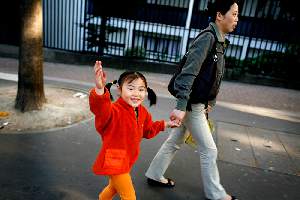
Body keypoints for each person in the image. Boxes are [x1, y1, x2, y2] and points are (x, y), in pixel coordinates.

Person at [145, 0, 239, 200]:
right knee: (209, 150)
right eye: (234, 14)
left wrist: (209, 103)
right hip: (190, 103)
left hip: (196, 103)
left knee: (175, 140)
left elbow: (213, 76)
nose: (237, 19)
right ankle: (216, 194)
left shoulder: (219, 40)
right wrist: (181, 106)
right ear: (219, 16)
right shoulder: (208, 38)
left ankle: (154, 174)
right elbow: (188, 74)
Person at [89, 60, 179, 200]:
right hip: (115, 160)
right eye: (130, 88)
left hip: (128, 160)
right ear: (119, 89)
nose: (136, 93)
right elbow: (100, 109)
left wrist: (165, 124)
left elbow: (148, 130)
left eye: (141, 89)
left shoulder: (142, 112)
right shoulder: (113, 111)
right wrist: (100, 89)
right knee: (129, 196)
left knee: (113, 187)